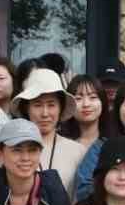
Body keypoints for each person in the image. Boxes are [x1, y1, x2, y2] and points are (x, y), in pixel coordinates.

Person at [12, 67, 85, 197]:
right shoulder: (11, 149)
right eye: (37, 105)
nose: (45, 113)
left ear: (60, 108)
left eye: (51, 105)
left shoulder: (77, 151)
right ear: (26, 108)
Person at [61, 74, 104, 153]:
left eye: (93, 97)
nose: (86, 104)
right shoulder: (61, 145)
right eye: (78, 98)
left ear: (103, 102)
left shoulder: (112, 142)